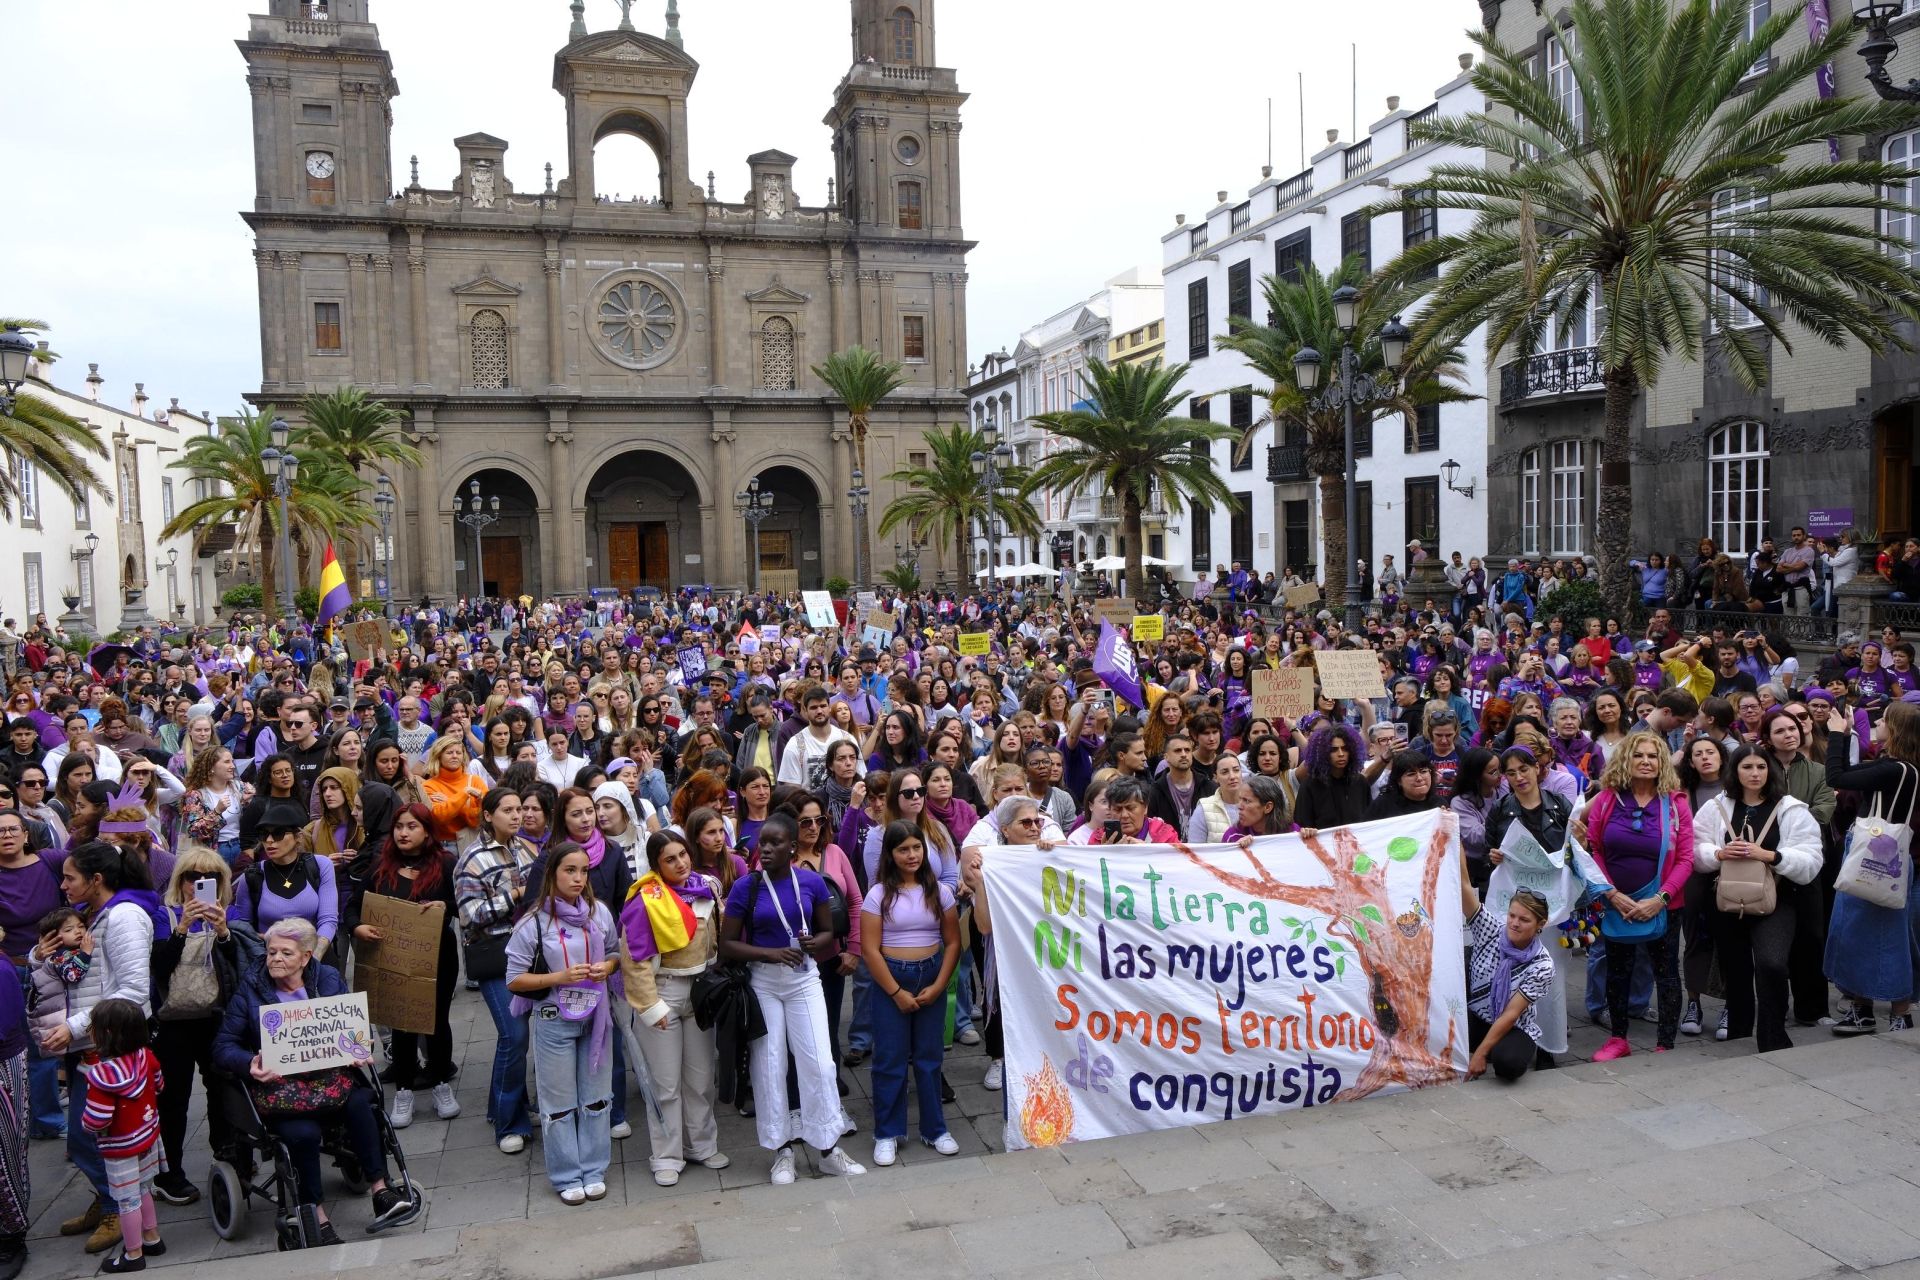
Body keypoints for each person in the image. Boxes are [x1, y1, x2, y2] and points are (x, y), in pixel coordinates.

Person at [212, 917, 412, 1239]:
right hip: (282, 1088)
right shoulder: (250, 989)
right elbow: (223, 1046)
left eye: (286, 953)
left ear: (306, 957)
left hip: (331, 1079)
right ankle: (315, 1212)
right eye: (271, 952)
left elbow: (347, 1029)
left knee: (364, 1103)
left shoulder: (329, 978)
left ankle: (381, 1190)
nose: (276, 959)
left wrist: (358, 1047)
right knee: (303, 1133)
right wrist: (250, 1062)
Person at [718, 812, 865, 1185]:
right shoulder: (746, 888)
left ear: (792, 847)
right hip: (764, 982)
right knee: (770, 1066)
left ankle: (829, 1147)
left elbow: (828, 931)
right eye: (762, 843)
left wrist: (816, 943)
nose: (765, 849)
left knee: (820, 1062)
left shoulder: (812, 882)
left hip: (803, 980)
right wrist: (769, 954)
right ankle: (781, 1150)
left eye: (775, 843)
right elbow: (728, 943)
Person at [47, 841, 160, 1258]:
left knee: (92, 1136)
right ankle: (110, 1199)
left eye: (70, 878)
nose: (63, 885)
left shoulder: (126, 917)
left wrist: (74, 1025)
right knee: (83, 1138)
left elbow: (131, 990)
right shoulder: (95, 916)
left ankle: (119, 1207)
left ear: (96, 880)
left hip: (110, 1049)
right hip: (90, 1043)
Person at [506, 840, 620, 1205]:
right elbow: (514, 979)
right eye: (569, 870)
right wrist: (559, 978)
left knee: (597, 1098)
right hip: (554, 1018)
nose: (578, 877)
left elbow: (617, 950)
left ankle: (594, 1168)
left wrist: (609, 966)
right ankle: (566, 1174)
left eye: (583, 870)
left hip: (597, 1017)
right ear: (552, 874)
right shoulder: (532, 923)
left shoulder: (598, 912)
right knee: (558, 1103)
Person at [1690, 744, 1823, 1052]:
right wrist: (1719, 853)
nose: (1755, 773)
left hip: (1776, 900)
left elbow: (1811, 860)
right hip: (1726, 899)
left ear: (1770, 770)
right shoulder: (1716, 807)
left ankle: (1773, 1035)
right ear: (1734, 771)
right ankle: (1738, 1032)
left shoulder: (1791, 809)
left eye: (1761, 767)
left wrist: (1773, 856)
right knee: (1735, 970)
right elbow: (1696, 851)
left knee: (1772, 964)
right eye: (1747, 767)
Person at [621, 830, 728, 1188]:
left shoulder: (706, 887)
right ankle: (666, 1155)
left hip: (701, 992)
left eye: (683, 854)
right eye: (670, 859)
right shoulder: (643, 901)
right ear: (656, 865)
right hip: (664, 990)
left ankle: (701, 1144)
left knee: (700, 1079)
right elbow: (634, 960)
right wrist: (650, 1007)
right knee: (665, 1084)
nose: (681, 863)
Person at [344, 802, 460, 1126]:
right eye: (399, 827)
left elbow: (465, 904)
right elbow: (353, 907)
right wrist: (358, 927)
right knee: (401, 1022)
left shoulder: (447, 864)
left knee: (436, 1020)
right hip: (392, 956)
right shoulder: (382, 867)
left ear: (426, 831)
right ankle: (405, 1090)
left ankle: (439, 1083)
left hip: (438, 955)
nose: (403, 833)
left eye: (411, 826)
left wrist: (445, 905)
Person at [1584, 731, 1695, 1060]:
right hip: (1615, 901)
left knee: (1666, 973)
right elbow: (1595, 850)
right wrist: (1611, 894)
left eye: (1653, 756)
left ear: (1662, 762)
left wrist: (1660, 898)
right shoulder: (1606, 800)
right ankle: (1618, 1039)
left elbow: (1686, 859)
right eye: (1639, 755)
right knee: (1617, 970)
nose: (1646, 761)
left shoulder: (1676, 805)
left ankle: (1666, 1044)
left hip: (1664, 904)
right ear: (1625, 760)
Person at [860, 819, 962, 1166]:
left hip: (931, 974)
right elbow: (870, 951)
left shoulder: (941, 892)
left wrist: (938, 986)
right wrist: (895, 991)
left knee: (929, 1057)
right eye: (903, 849)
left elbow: (952, 943)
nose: (911, 855)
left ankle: (935, 1129)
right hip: (893, 978)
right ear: (890, 854)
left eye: (916, 847)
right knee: (889, 1059)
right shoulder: (878, 895)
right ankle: (888, 1132)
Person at [148, 848, 242, 1207]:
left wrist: (223, 931)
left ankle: (228, 1156)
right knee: (172, 1099)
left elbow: (239, 967)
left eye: (209, 878)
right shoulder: (163, 915)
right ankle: (170, 1172)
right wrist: (182, 928)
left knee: (222, 1089)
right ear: (180, 880)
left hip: (216, 1018)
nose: (197, 885)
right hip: (173, 1022)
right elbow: (158, 967)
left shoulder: (230, 914)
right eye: (191, 877)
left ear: (221, 882)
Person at [1821, 699, 1920, 1034]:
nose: (1877, 722)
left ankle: (1898, 1013)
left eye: (1884, 719)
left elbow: (1836, 775)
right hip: (1879, 853)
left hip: (1877, 856)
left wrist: (1837, 734)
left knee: (1887, 937)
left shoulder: (1897, 769)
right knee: (1858, 932)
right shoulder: (1896, 766)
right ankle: (1865, 1010)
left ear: (1896, 729)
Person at [453, 787, 538, 1153]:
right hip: (496, 955)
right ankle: (508, 1125)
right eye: (507, 809)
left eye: (519, 808)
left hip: (529, 952)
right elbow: (469, 916)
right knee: (513, 1035)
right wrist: (514, 897)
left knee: (519, 1037)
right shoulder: (472, 860)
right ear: (488, 815)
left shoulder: (527, 848)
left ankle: (502, 1106)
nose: (516, 815)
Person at [78, 998, 164, 1274]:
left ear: (108, 1034)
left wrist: (86, 1125)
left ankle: (133, 1253)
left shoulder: (101, 1078)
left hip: (120, 1147)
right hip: (148, 1137)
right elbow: (160, 1084)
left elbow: (97, 1119)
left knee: (127, 1200)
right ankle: (152, 1238)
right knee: (144, 1189)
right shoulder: (146, 1057)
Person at [1457, 865, 1554, 1083]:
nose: (1515, 923)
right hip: (1476, 1016)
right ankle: (1483, 1047)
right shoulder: (1491, 929)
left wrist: (1480, 1054)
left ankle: (1490, 1050)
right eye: (1512, 915)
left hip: (1514, 1025)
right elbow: (1463, 886)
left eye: (1524, 920)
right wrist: (1454, 837)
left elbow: (1511, 1015)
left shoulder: (1542, 964)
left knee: (1508, 1065)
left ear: (1541, 924)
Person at [232, 799, 339, 958]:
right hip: (271, 961)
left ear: (298, 837)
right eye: (263, 834)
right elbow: (243, 926)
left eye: (278, 833)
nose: (269, 840)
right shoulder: (252, 875)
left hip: (316, 957)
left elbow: (328, 920)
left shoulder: (320, 865)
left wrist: (311, 959)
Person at [1292, 722, 1370, 834]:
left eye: (1345, 748)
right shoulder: (1309, 785)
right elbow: (1302, 825)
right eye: (1334, 750)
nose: (1341, 754)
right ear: (1323, 753)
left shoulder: (1360, 782)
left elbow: (1369, 822)